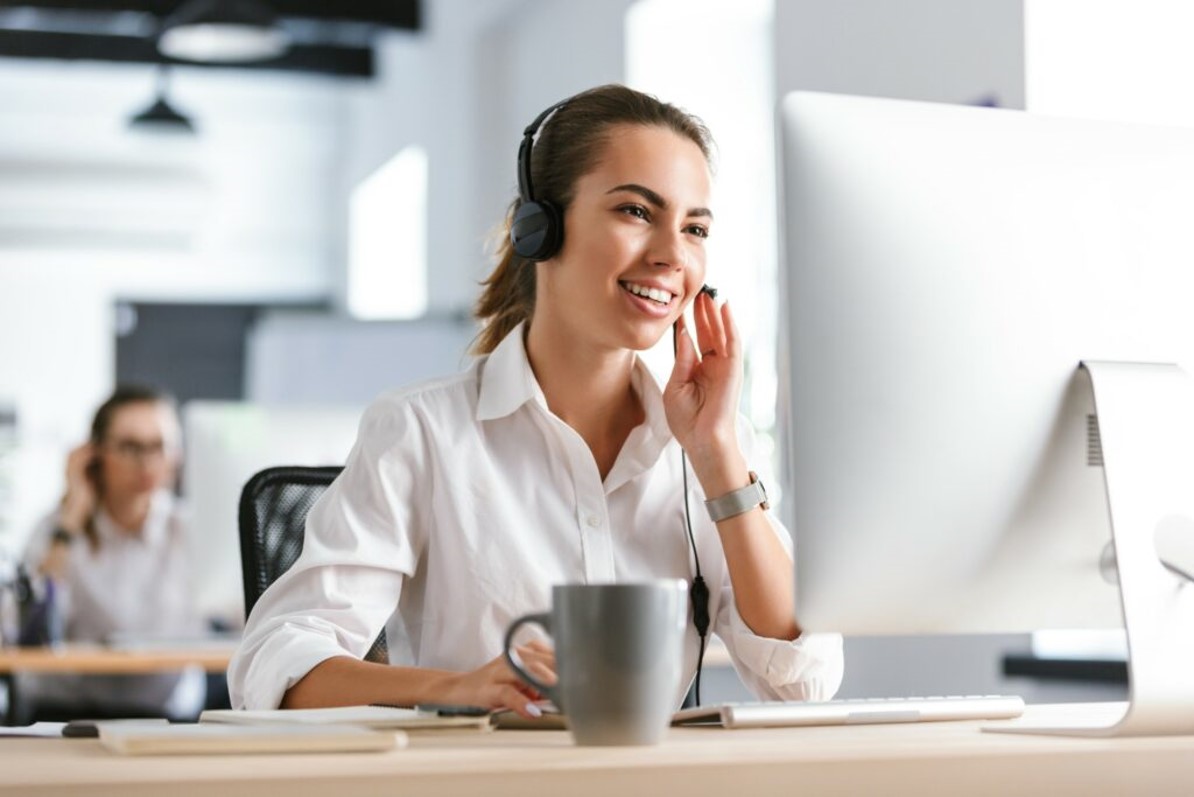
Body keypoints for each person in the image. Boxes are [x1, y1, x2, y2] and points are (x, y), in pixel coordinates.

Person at [229, 84, 843, 715]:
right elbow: (277, 662)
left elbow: (802, 679)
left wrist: (717, 454)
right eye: (636, 212)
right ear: (540, 228)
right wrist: (456, 688)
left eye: (694, 228)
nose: (670, 255)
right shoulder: (421, 431)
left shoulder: (700, 444)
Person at [17, 385, 205, 721]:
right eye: (130, 446)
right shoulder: (56, 529)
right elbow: (30, 629)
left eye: (159, 446)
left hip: (165, 719)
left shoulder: (191, 532)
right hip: (63, 715)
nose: (147, 461)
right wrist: (71, 519)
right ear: (95, 455)